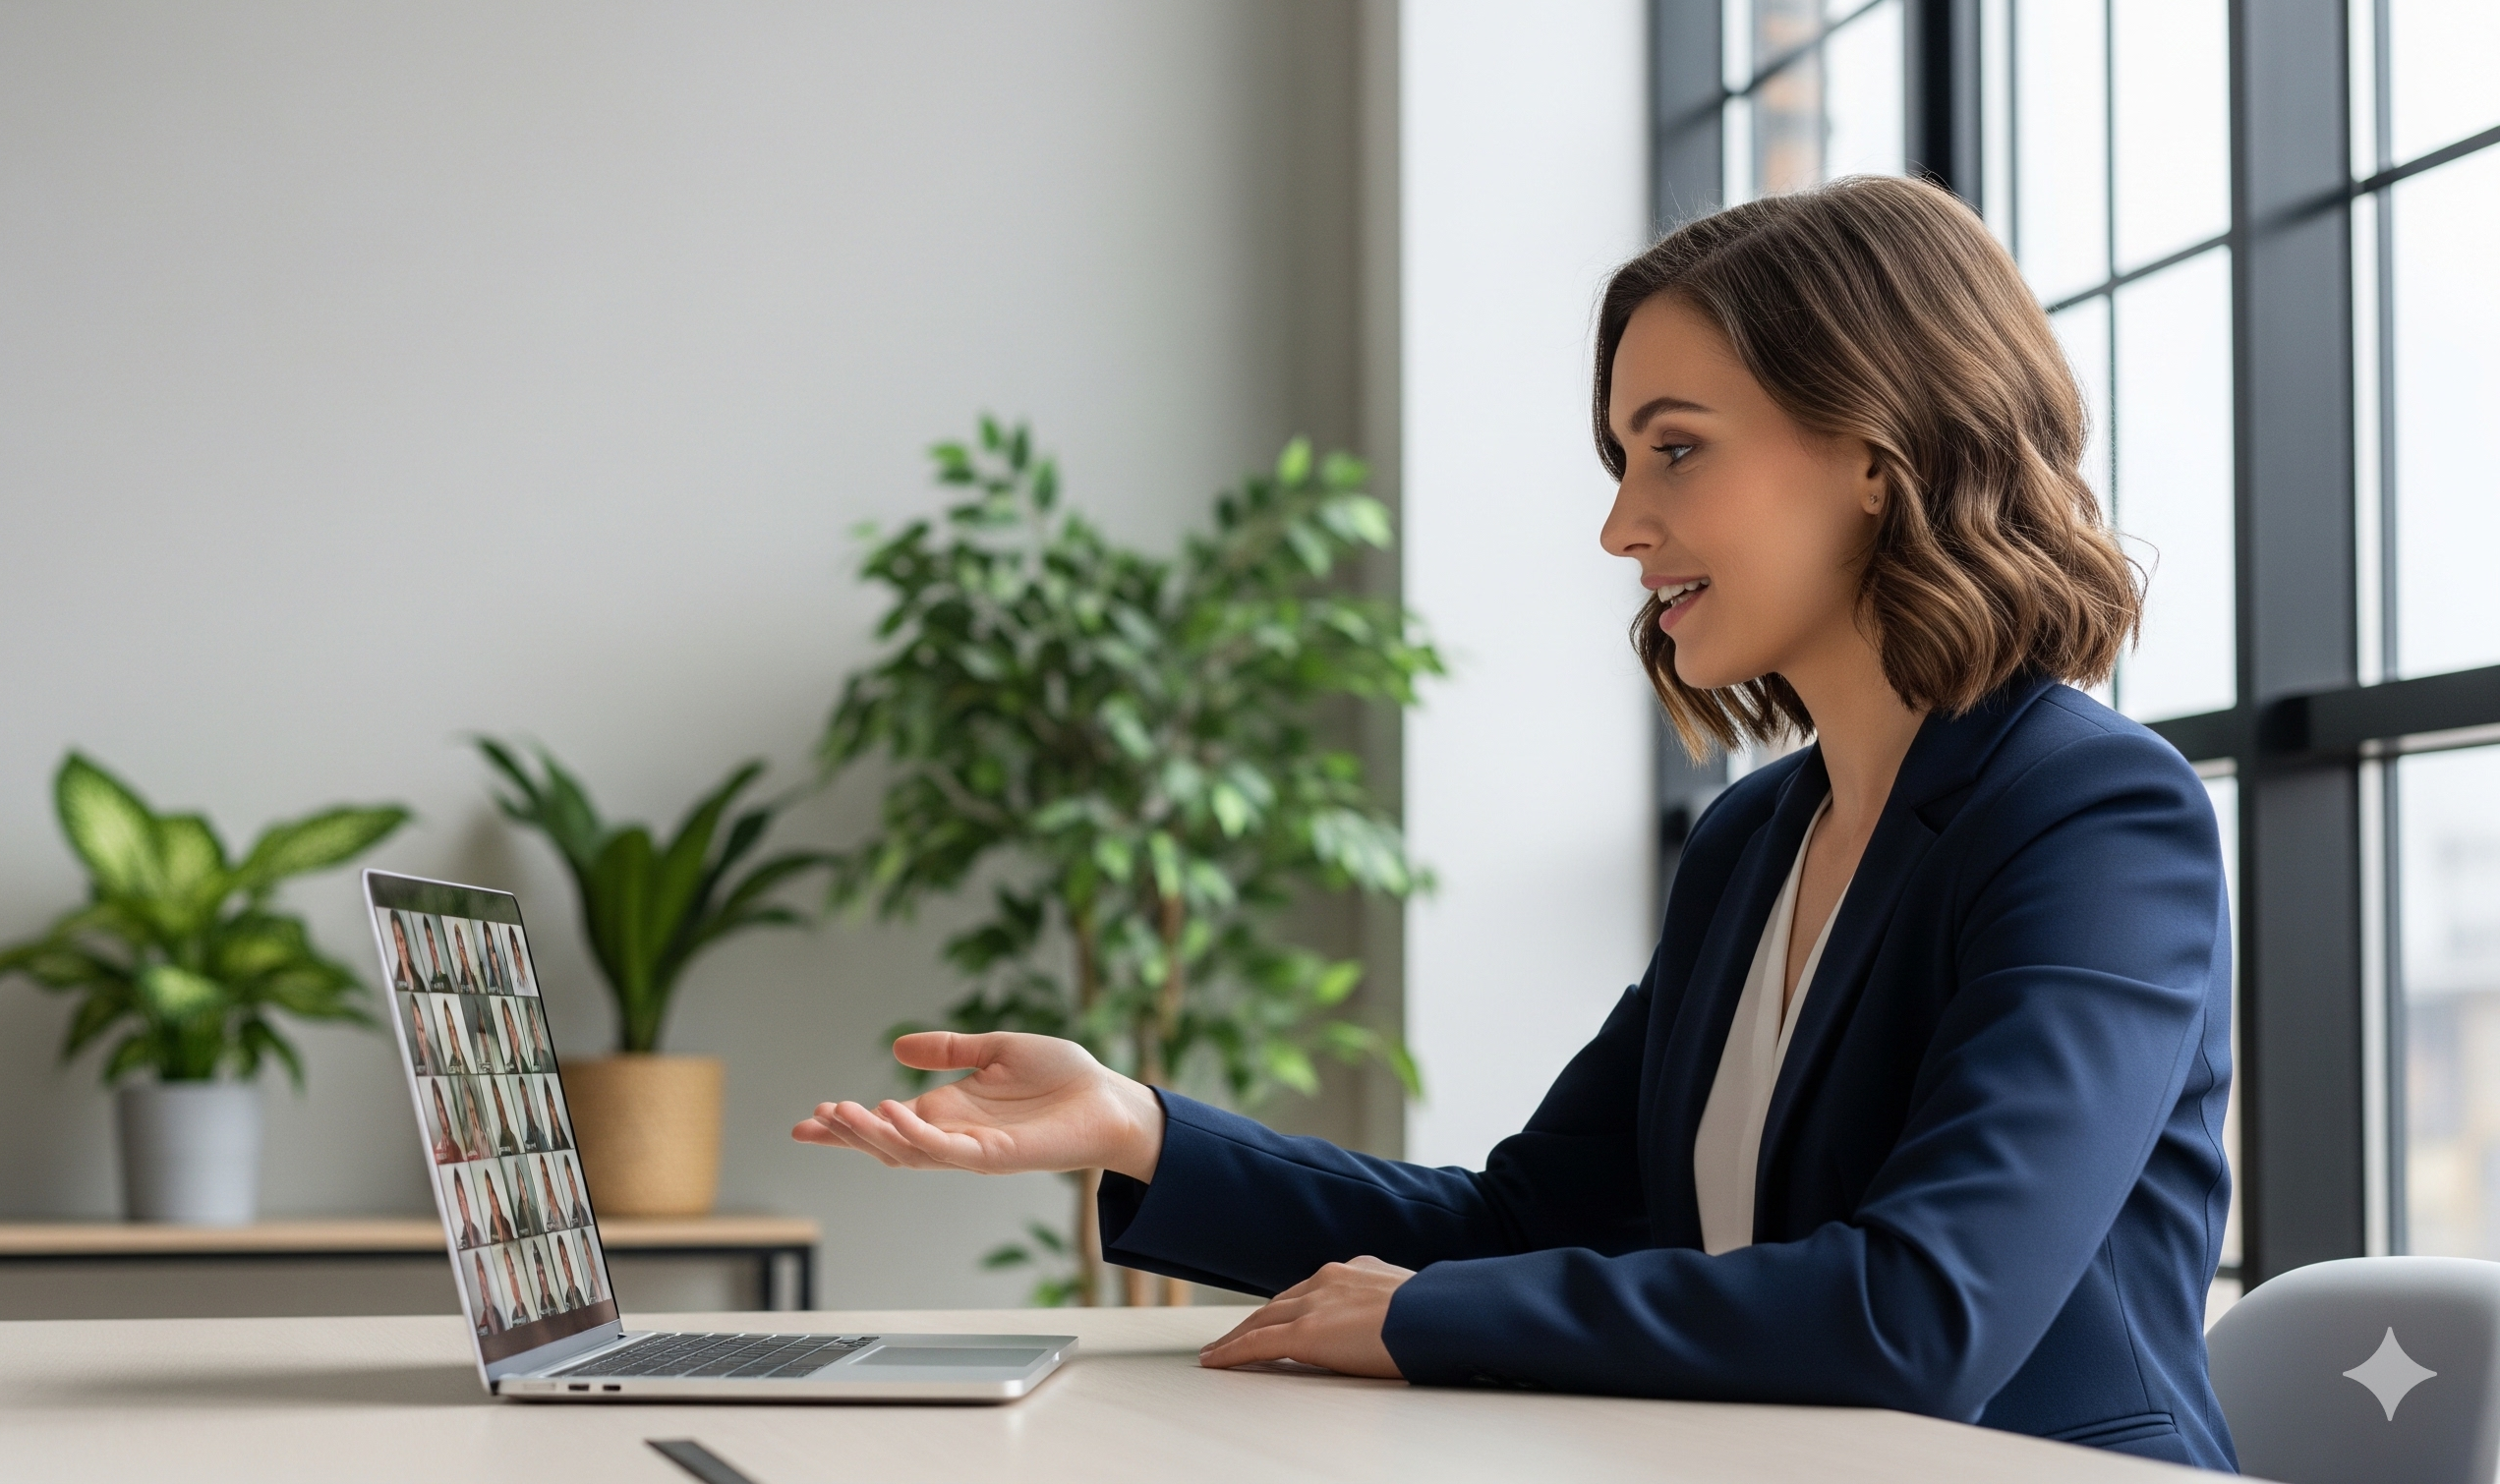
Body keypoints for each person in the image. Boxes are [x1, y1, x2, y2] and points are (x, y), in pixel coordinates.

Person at [793, 176, 2235, 1471]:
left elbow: (1926, 1310)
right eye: (1621, 459)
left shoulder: (2092, 817)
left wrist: (1424, 1319)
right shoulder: (1753, 846)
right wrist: (1138, 1128)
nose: (1620, 526)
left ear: (1876, 449)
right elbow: (1521, 1227)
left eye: (1674, 451)